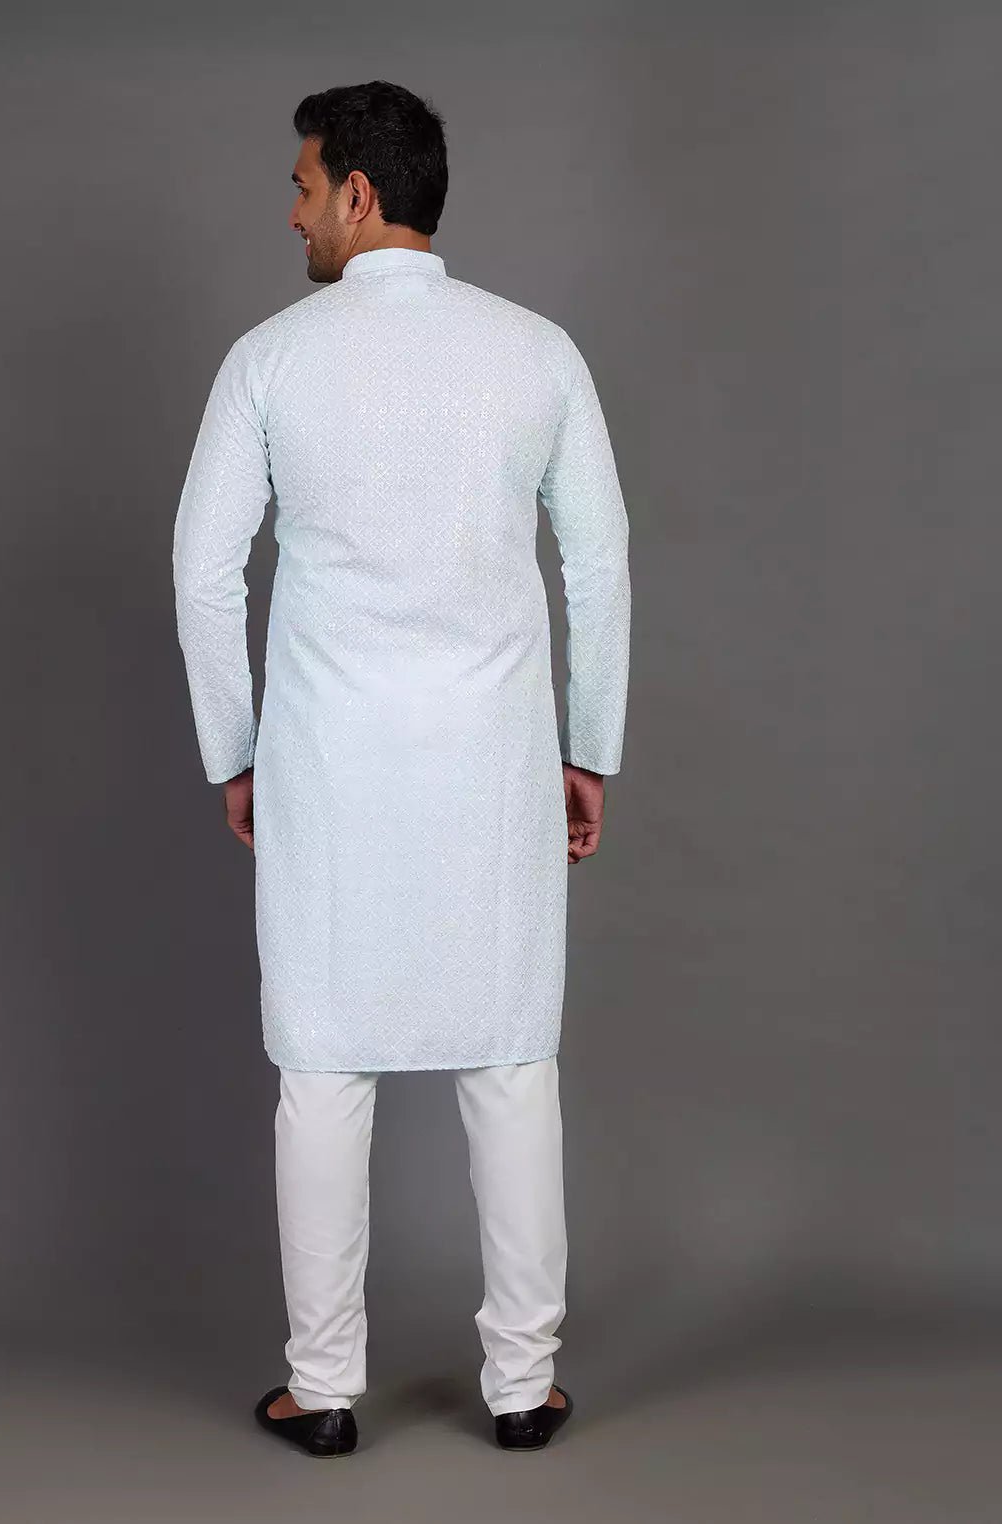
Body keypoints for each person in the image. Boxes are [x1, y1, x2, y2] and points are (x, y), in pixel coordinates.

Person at [172, 80, 630, 1458]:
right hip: (496, 765)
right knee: (511, 1059)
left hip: (327, 767)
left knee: (323, 1066)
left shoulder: (270, 359)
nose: (295, 212)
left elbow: (203, 573)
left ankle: (322, 1391)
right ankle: (522, 1388)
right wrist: (588, 747)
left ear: (360, 196)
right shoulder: (538, 351)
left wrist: (236, 750)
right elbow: (600, 566)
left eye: (305, 186)